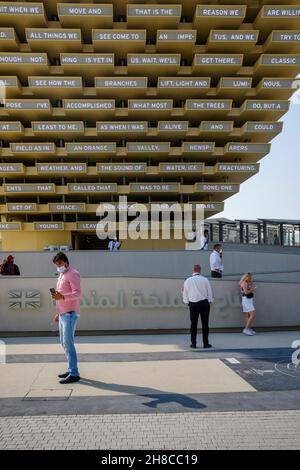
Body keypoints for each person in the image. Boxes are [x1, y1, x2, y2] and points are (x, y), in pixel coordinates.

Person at [51, 252, 81, 384]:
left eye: (60, 264)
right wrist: (58, 312)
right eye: (56, 265)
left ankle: (74, 373)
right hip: (63, 314)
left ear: (66, 262)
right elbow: (60, 296)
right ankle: (71, 369)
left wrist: (62, 297)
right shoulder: (62, 275)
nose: (58, 266)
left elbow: (77, 293)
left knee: (68, 343)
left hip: (70, 313)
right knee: (64, 343)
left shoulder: (73, 273)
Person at [182, 264, 213, 349]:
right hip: (204, 303)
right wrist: (210, 301)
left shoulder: (187, 280)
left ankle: (193, 344)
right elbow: (209, 291)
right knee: (205, 324)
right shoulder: (205, 280)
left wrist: (186, 302)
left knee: (193, 324)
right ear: (200, 270)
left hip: (193, 304)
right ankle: (206, 344)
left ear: (193, 270)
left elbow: (185, 293)